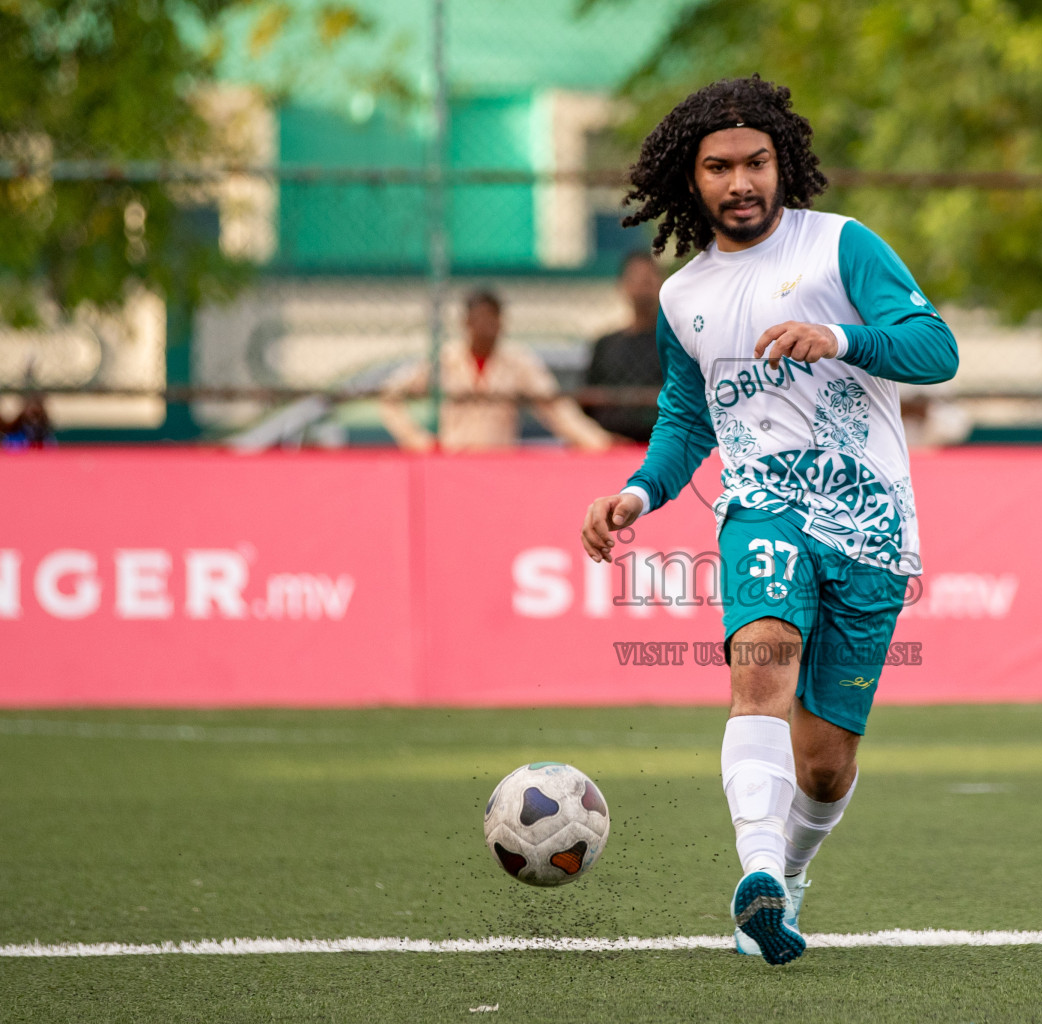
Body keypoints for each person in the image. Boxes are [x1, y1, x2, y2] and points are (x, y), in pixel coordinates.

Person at [578, 76, 958, 965]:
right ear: (691, 179)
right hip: (762, 514)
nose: (741, 180)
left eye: (757, 161)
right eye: (720, 167)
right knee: (762, 673)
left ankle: (784, 879)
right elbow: (687, 419)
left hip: (871, 528)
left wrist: (843, 338)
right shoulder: (683, 298)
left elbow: (935, 349)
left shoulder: (842, 249)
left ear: (782, 163)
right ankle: (752, 871)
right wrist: (635, 494)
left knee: (825, 764)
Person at [380, 287, 611, 453]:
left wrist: (600, 443)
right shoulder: (446, 360)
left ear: (502, 322)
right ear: (466, 322)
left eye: (493, 318)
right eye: (480, 318)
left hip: (499, 461)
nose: (486, 325)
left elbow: (555, 408)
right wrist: (421, 443)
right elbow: (391, 395)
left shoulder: (518, 362)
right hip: (452, 460)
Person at [583, 251, 666, 443]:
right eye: (636, 277)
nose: (644, 285)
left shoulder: (680, 343)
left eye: (649, 278)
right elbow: (587, 402)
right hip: (609, 447)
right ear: (623, 285)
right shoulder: (605, 345)